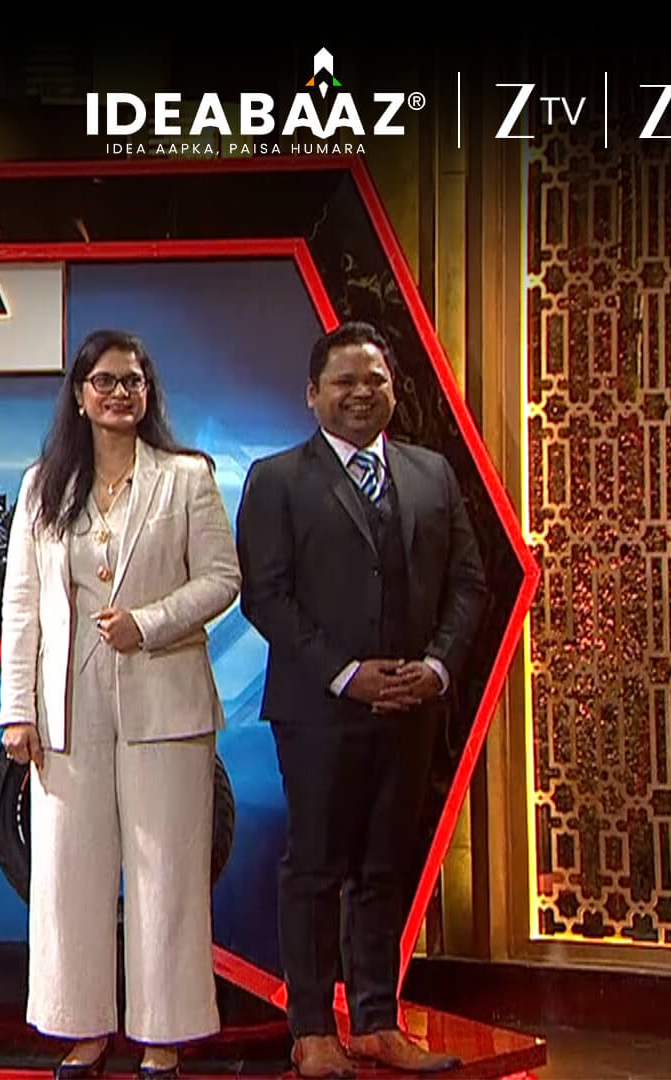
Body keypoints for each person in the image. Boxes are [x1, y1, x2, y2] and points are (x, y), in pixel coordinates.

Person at [233, 322, 487, 1078]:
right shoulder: (277, 479)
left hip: (412, 708)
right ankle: (311, 1029)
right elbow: (266, 595)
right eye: (343, 381)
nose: (360, 393)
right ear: (312, 394)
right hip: (319, 710)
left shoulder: (431, 474)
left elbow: (469, 584)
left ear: (393, 391)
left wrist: (436, 668)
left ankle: (377, 1021)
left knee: (384, 868)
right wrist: (345, 673)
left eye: (374, 380)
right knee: (315, 868)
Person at [0, 329, 241, 1078]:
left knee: (167, 873)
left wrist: (150, 623)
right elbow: (22, 604)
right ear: (79, 395)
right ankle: (84, 1029)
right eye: (104, 381)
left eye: (132, 381)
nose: (119, 393)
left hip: (165, 692)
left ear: (148, 392)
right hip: (68, 704)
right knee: (69, 875)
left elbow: (222, 579)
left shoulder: (186, 477)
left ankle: (163, 1036)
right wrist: (16, 709)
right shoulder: (43, 485)